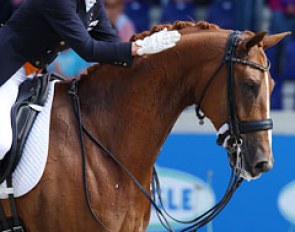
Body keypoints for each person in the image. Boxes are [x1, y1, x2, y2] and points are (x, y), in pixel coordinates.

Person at [0, 0, 181, 159]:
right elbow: (88, 49)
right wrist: (136, 48)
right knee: (2, 143)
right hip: (8, 70)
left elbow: (113, 45)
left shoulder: (92, 4)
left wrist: (151, 54)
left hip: (36, 74)